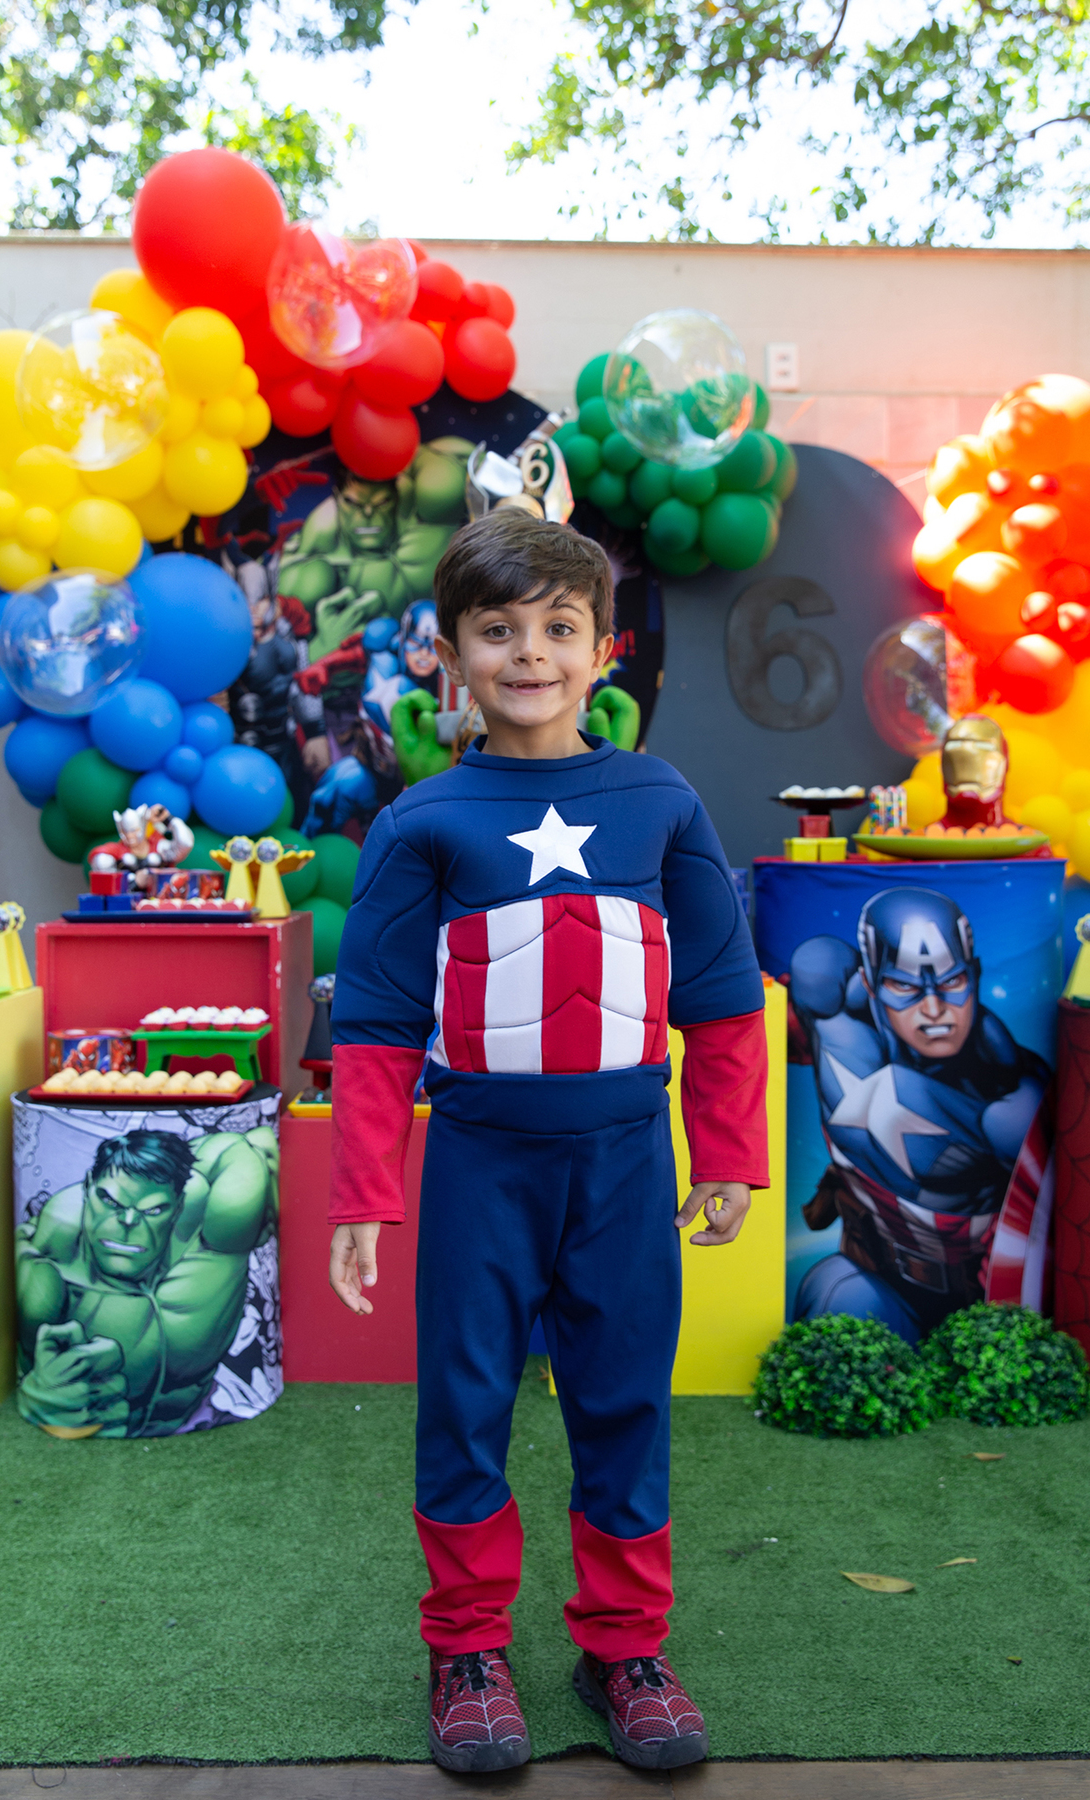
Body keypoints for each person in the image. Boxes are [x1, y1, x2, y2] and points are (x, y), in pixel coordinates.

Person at [327, 510, 769, 1774]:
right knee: (464, 1407)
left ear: (604, 647)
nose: (531, 652)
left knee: (624, 1401)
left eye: (558, 627)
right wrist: (366, 1190)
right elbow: (373, 1024)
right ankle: (465, 1649)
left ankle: (624, 1646)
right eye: (499, 629)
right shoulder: (423, 824)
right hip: (480, 1164)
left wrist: (726, 1150)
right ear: (452, 654)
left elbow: (724, 995)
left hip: (626, 1163)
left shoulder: (658, 800)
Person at [788, 886, 1050, 1343]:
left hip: (985, 1305)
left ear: (974, 976)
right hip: (880, 1281)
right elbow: (813, 975)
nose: (933, 1010)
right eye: (905, 987)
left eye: (951, 983)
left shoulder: (1011, 1096)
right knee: (837, 1300)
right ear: (871, 984)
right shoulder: (835, 1021)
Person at [16, 1127, 279, 1437]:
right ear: (88, 1189)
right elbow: (38, 1380)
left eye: (152, 1209)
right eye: (110, 1202)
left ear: (177, 1207)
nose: (128, 1222)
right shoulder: (49, 1272)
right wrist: (47, 1395)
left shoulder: (215, 1235)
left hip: (209, 1415)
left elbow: (247, 1147)